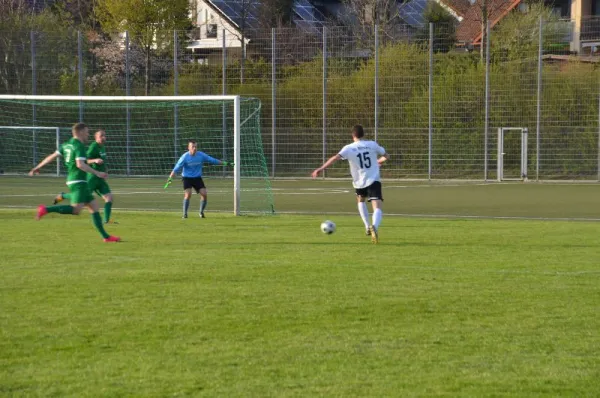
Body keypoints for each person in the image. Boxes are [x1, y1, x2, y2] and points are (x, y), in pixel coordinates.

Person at [28, 123, 120, 243]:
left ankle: (106, 237)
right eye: (86, 132)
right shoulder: (79, 146)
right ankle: (45, 209)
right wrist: (97, 173)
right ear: (80, 132)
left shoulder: (66, 144)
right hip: (78, 181)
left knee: (93, 206)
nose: (88, 134)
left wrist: (37, 167)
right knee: (76, 210)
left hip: (76, 180)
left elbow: (52, 156)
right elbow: (80, 164)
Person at [311, 125, 389, 244]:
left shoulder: (349, 148)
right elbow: (386, 156)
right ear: (363, 134)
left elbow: (335, 158)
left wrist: (321, 169)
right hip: (373, 179)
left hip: (359, 182)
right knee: (377, 206)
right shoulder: (372, 144)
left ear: (353, 135)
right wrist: (378, 161)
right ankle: (375, 226)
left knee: (361, 201)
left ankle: (367, 226)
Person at [53, 129, 115, 224]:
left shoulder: (102, 147)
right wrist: (94, 160)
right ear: (96, 138)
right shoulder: (93, 147)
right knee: (82, 197)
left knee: (109, 198)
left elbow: (102, 161)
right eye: (101, 136)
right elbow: (85, 160)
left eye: (104, 136)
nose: (103, 138)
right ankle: (63, 196)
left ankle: (106, 220)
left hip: (100, 178)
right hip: (92, 178)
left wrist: (105, 170)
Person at [166, 140, 233, 219]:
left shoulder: (201, 155)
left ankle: (201, 213)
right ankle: (184, 214)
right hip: (187, 178)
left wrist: (225, 163)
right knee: (188, 194)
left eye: (195, 147)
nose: (194, 148)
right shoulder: (184, 157)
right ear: (188, 148)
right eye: (192, 147)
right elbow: (176, 168)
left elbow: (212, 160)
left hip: (197, 178)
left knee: (204, 194)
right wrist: (170, 178)